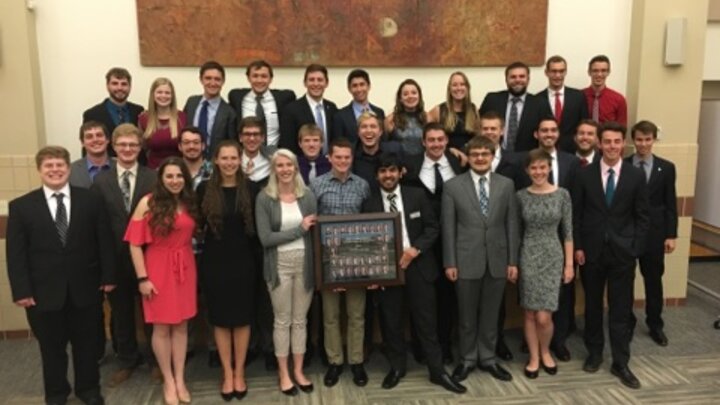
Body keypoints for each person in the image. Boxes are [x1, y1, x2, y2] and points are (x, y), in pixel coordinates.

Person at [6, 146, 116, 405]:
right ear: (39, 170)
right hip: (43, 293)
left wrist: (108, 276)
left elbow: (104, 242)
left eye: (60, 165)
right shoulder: (21, 207)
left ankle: (88, 389)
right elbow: (16, 254)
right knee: (51, 349)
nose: (55, 170)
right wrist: (22, 291)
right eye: (49, 166)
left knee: (86, 346)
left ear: (68, 168)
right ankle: (56, 393)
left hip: (85, 288)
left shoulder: (90, 200)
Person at [362, 153, 467, 394]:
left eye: (392, 170)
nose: (388, 176)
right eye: (383, 172)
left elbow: (433, 228)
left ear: (401, 172)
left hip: (419, 267)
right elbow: (366, 240)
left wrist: (415, 250)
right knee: (391, 322)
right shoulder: (369, 203)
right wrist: (372, 273)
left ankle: (437, 371)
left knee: (427, 322)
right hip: (388, 271)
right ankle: (397, 367)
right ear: (377, 175)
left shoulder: (416, 196)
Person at [573, 122, 649, 389]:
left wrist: (635, 247)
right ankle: (594, 353)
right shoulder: (584, 175)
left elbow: (642, 216)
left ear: (623, 144)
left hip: (622, 254)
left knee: (620, 309)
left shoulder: (635, 176)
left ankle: (620, 362)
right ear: (599, 143)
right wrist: (579, 247)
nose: (612, 146)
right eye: (607, 142)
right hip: (592, 253)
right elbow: (577, 215)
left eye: (617, 142)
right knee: (592, 306)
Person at [442, 136, 519, 384]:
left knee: (491, 313)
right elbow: (449, 228)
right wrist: (450, 262)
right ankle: (467, 359)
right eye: (475, 154)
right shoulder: (453, 186)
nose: (480, 158)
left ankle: (487, 358)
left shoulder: (506, 185)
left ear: (492, 155)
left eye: (485, 154)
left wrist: (512, 261)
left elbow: (512, 224)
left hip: (497, 259)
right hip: (465, 260)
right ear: (469, 157)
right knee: (465, 315)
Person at [125, 157, 199, 404]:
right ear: (161, 179)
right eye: (170, 176)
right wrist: (142, 278)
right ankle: (168, 380)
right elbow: (135, 244)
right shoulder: (148, 202)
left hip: (185, 267)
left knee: (181, 326)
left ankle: (180, 378)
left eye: (179, 176)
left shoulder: (188, 202)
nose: (175, 181)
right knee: (161, 327)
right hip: (157, 268)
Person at [91, 124, 156, 387]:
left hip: (149, 257)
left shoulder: (153, 178)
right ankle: (127, 360)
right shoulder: (101, 181)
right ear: (114, 147)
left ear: (140, 148)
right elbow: (98, 225)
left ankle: (154, 361)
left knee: (151, 312)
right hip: (114, 259)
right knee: (121, 314)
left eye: (133, 145)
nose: (128, 149)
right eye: (123, 145)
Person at [196, 140, 257, 401]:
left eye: (234, 158)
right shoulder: (203, 190)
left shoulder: (252, 189)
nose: (230, 163)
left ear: (240, 160)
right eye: (225, 158)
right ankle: (227, 373)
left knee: (242, 319)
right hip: (214, 262)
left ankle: (240, 372)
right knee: (220, 319)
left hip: (245, 262)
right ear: (216, 161)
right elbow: (196, 227)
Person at [256, 149, 318, 396]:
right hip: (278, 265)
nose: (284, 169)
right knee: (282, 320)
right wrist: (299, 230)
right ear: (274, 169)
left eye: (288, 165)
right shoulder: (265, 198)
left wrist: (303, 232)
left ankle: (299, 370)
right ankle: (283, 373)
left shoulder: (308, 196)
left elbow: (314, 234)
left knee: (300, 320)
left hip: (304, 264)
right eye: (279, 165)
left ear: (295, 168)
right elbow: (266, 238)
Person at [309, 138, 371, 388]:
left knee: (357, 314)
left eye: (347, 157)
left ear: (351, 159)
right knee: (331, 316)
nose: (343, 161)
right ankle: (335, 362)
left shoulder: (363, 186)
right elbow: (312, 224)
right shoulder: (316, 185)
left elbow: (370, 222)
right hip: (328, 262)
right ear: (330, 158)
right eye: (338, 157)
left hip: (356, 261)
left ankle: (356, 361)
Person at [402, 123, 463, 364]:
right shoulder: (411, 165)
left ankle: (445, 346)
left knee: (448, 296)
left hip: (451, 238)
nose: (436, 144)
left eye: (440, 139)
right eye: (431, 140)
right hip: (422, 241)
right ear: (423, 142)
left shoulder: (459, 163)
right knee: (423, 298)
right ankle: (422, 347)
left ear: (447, 141)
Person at [516, 149, 574, 379]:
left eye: (542, 167)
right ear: (527, 170)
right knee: (530, 313)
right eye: (533, 168)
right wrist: (514, 263)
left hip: (553, 255)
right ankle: (533, 357)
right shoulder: (520, 196)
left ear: (549, 168)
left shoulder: (563, 195)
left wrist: (569, 265)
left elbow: (568, 232)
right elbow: (517, 232)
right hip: (528, 255)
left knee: (544, 316)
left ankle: (546, 351)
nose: (538, 172)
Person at [531, 117, 580, 362]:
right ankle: (533, 346)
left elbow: (577, 205)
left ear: (558, 134)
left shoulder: (571, 162)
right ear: (536, 134)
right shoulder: (527, 161)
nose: (548, 134)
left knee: (562, 296)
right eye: (544, 130)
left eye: (553, 130)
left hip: (562, 242)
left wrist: (571, 259)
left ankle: (557, 342)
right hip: (532, 242)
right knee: (532, 304)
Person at [625, 120, 678, 347]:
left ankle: (655, 324)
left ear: (654, 139)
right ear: (632, 140)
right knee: (625, 280)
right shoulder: (624, 164)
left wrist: (671, 234)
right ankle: (626, 321)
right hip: (627, 233)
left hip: (655, 235)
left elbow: (670, 204)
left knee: (653, 281)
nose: (643, 144)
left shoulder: (666, 168)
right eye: (639, 139)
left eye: (648, 139)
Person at [479, 61, 552, 152]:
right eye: (513, 77)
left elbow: (547, 131)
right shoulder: (492, 100)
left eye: (522, 76)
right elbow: (479, 127)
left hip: (527, 158)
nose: (517, 80)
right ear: (506, 80)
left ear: (528, 79)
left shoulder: (540, 103)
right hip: (494, 156)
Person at [228, 60, 297, 146]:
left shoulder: (284, 98)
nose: (259, 80)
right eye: (255, 76)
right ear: (248, 78)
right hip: (245, 154)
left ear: (270, 79)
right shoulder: (237, 98)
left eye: (264, 76)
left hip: (274, 154)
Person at [82, 67, 144, 157]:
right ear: (107, 86)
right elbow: (87, 146)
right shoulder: (92, 114)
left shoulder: (139, 111)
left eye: (124, 84)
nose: (120, 88)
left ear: (130, 86)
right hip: (104, 167)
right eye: (115, 84)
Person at [279, 64, 338, 155]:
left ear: (326, 83)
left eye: (320, 80)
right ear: (305, 83)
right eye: (311, 80)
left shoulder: (332, 108)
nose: (316, 84)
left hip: (329, 164)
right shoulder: (291, 110)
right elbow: (287, 145)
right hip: (301, 165)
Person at [183, 61, 237, 158]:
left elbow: (231, 144)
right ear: (201, 79)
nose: (212, 83)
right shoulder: (191, 103)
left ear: (223, 81)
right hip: (189, 161)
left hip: (214, 164)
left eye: (217, 79)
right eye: (208, 78)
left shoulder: (229, 112)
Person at [536, 55, 589, 153]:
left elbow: (584, 124)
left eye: (561, 71)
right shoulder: (537, 99)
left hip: (572, 152)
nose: (557, 75)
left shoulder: (578, 97)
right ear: (546, 73)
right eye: (554, 71)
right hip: (544, 152)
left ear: (565, 72)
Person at [139, 78, 187, 169]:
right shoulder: (144, 118)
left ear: (172, 96)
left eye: (167, 93)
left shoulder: (182, 117)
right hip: (152, 170)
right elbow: (141, 148)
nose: (163, 96)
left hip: (178, 170)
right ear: (153, 95)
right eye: (159, 92)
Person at [428, 72, 479, 152]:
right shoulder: (439, 110)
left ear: (467, 88)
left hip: (469, 157)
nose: (459, 88)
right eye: (454, 85)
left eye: (462, 84)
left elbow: (478, 137)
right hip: (446, 156)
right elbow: (427, 135)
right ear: (449, 89)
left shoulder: (474, 110)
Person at [353, 111, 404, 190]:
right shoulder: (351, 154)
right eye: (364, 127)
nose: (368, 130)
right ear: (358, 132)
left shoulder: (394, 150)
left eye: (373, 126)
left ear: (380, 132)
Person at [333, 69, 386, 145]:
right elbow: (338, 145)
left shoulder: (379, 112)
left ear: (369, 86)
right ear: (349, 89)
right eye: (355, 86)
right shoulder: (340, 116)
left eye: (362, 84)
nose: (359, 89)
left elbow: (383, 141)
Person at [385, 79, 427, 156]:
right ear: (400, 99)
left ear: (419, 96)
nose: (410, 96)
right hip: (400, 165)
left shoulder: (427, 118)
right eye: (405, 94)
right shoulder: (390, 120)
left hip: (423, 164)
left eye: (414, 93)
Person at [583, 55, 627, 127]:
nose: (599, 74)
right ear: (589, 72)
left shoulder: (619, 99)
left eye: (603, 71)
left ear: (608, 72)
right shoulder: (579, 96)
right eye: (595, 71)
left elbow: (622, 128)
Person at [69, 121, 114, 188]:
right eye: (89, 137)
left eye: (99, 135)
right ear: (82, 143)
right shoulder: (71, 171)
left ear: (107, 139)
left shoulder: (120, 166)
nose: (95, 140)